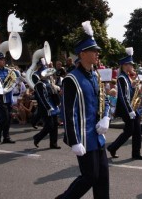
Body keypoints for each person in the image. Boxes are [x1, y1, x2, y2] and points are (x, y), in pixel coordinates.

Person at [56, 21, 110, 199]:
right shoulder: (71, 79)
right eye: (93, 51)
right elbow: (68, 112)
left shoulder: (95, 74)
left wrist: (106, 118)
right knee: (89, 177)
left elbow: (104, 99)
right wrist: (74, 141)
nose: (97, 54)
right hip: (83, 137)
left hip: (98, 135)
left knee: (102, 177)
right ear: (82, 54)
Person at [107, 48, 142, 160]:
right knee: (130, 131)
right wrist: (130, 111)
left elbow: (130, 93)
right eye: (131, 65)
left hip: (132, 109)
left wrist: (135, 87)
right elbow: (123, 96)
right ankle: (114, 148)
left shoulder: (127, 77)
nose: (132, 67)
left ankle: (134, 152)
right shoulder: (121, 78)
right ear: (125, 65)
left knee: (135, 131)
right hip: (127, 109)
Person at [33, 65, 61, 149]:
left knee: (55, 125)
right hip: (45, 108)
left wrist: (54, 87)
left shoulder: (48, 82)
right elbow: (42, 97)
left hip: (53, 105)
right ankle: (37, 138)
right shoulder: (39, 84)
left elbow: (53, 94)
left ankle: (53, 144)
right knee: (49, 126)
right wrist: (48, 107)